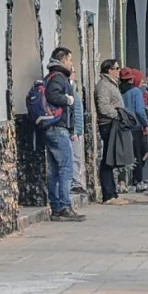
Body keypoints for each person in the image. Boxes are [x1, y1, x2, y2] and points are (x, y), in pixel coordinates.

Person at [43, 47, 85, 222]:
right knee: (66, 168)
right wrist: (69, 99)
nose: (71, 63)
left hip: (51, 128)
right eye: (69, 59)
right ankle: (64, 206)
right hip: (59, 128)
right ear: (62, 60)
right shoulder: (59, 77)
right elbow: (53, 95)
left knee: (54, 170)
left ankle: (56, 207)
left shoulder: (51, 76)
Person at [95, 58, 129, 206]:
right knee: (108, 159)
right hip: (108, 124)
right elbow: (103, 107)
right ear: (109, 70)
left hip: (113, 123)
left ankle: (112, 193)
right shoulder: (104, 85)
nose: (119, 71)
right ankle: (108, 195)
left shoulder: (111, 84)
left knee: (111, 158)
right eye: (116, 68)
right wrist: (118, 114)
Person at [120, 67, 148, 192]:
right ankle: (138, 181)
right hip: (135, 127)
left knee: (123, 154)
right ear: (132, 79)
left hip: (122, 126)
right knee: (137, 154)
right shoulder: (136, 92)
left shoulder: (119, 92)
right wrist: (145, 124)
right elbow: (139, 111)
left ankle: (122, 182)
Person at [69, 67, 86, 194]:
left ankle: (75, 182)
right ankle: (74, 183)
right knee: (74, 157)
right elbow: (71, 112)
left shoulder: (74, 88)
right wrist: (74, 130)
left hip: (77, 130)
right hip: (74, 130)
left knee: (76, 157)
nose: (74, 74)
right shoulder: (69, 89)